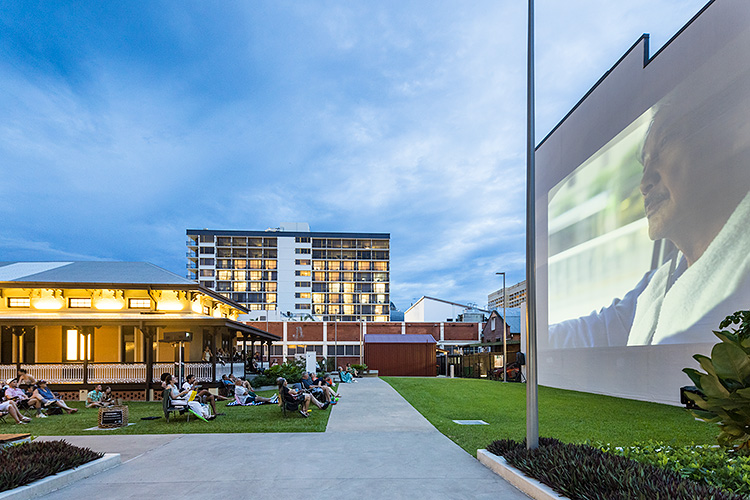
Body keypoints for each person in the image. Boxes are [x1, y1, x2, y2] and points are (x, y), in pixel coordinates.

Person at [550, 73, 750, 347]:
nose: (644, 184)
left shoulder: (742, 271)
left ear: (734, 134)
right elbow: (597, 330)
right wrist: (531, 338)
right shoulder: (659, 285)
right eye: (644, 164)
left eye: (665, 144)